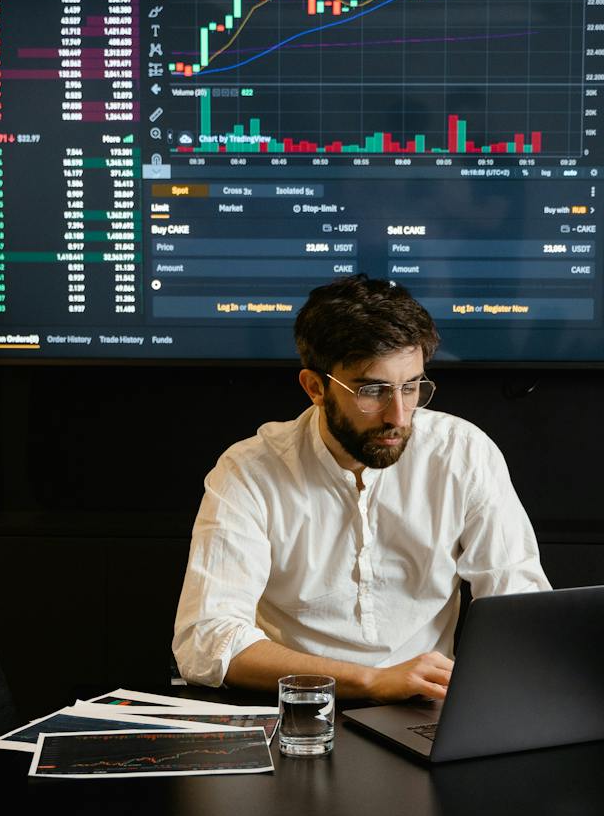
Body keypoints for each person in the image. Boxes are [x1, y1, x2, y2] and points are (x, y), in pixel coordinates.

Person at [172, 274, 550, 702]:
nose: (400, 416)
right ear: (315, 387)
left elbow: (520, 610)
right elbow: (205, 641)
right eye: (373, 390)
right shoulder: (249, 471)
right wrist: (371, 680)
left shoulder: (463, 452)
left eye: (412, 387)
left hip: (426, 713)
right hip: (298, 713)